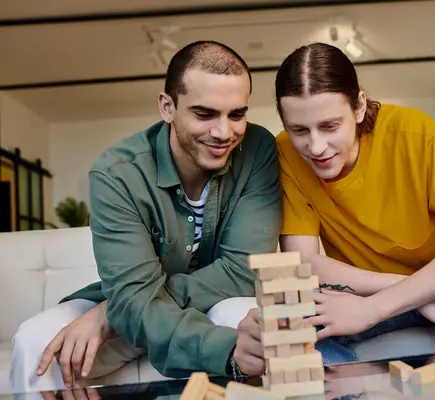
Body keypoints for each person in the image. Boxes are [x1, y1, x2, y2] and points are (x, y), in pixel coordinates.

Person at [10, 40, 281, 394]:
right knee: (36, 343)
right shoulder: (116, 173)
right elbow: (134, 296)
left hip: (206, 303)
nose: (223, 132)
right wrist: (124, 304)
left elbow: (243, 271)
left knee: (241, 318)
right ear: (167, 107)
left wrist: (111, 313)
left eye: (236, 114)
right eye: (204, 114)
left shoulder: (258, 149)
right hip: (134, 305)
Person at [272, 42, 435, 364]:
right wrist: (414, 295)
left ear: (359, 106)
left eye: (330, 126)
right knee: (289, 312)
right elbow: (302, 262)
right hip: (366, 289)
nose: (316, 147)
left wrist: (374, 309)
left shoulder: (415, 133)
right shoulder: (286, 152)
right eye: (299, 129)